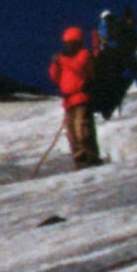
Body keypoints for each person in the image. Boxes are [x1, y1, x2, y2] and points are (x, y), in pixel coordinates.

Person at [51, 24, 101, 166]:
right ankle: (80, 160)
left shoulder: (84, 54)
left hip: (81, 98)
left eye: (71, 42)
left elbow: (78, 67)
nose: (68, 46)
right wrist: (55, 65)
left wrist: (61, 60)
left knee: (82, 130)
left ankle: (91, 157)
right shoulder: (66, 59)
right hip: (69, 101)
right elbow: (56, 78)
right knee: (72, 133)